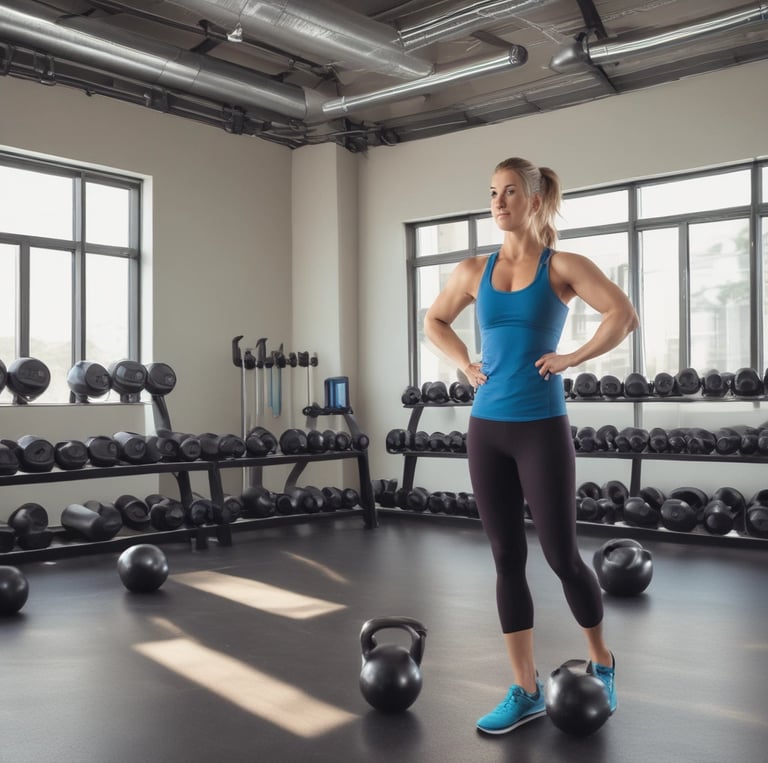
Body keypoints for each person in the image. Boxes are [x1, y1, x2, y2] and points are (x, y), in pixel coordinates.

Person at [423, 156, 639, 735]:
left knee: (562, 557)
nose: (498, 203)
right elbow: (434, 320)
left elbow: (623, 314)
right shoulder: (473, 269)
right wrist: (463, 362)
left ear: (535, 200)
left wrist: (571, 358)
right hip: (486, 429)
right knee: (504, 558)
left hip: (541, 426)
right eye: (492, 192)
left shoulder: (563, 265)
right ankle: (524, 689)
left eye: (510, 192)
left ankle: (602, 659)